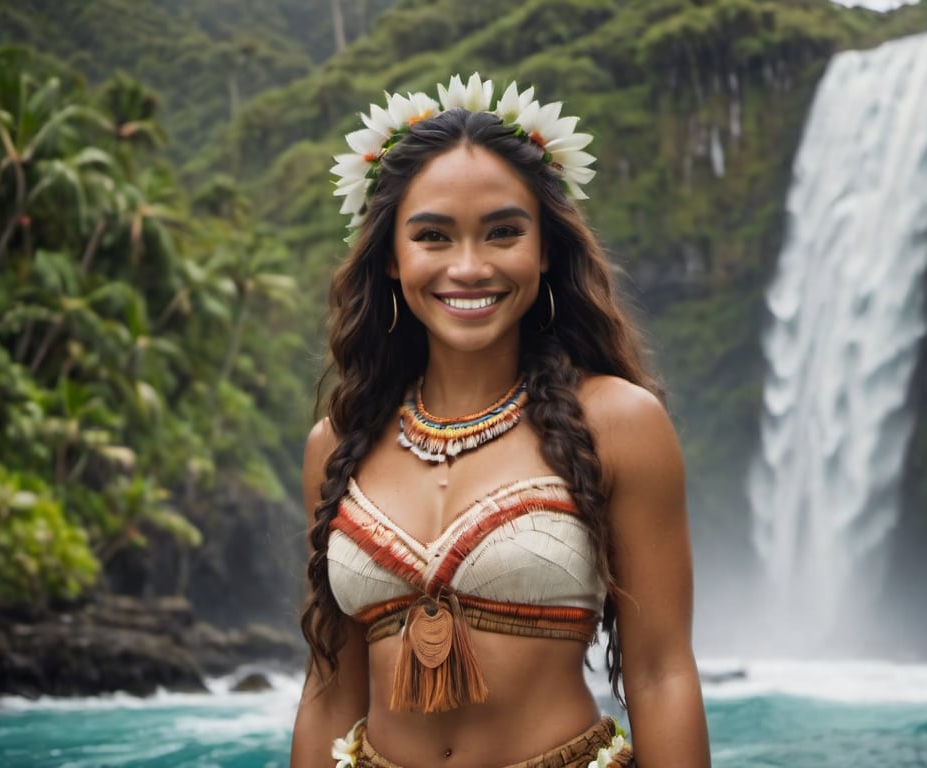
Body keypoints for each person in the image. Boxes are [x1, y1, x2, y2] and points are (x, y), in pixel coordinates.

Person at [291, 73, 710, 768]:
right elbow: (331, 692)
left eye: (502, 233)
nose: (468, 266)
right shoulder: (337, 445)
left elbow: (661, 674)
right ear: (392, 258)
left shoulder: (618, 424)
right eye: (432, 236)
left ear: (544, 250)